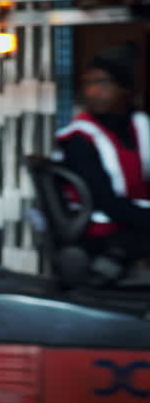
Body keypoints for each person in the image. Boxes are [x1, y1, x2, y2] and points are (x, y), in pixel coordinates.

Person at [54, 44, 150, 264]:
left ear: (124, 88)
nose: (91, 91)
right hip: (101, 233)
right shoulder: (78, 137)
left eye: (101, 83)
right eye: (87, 83)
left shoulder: (139, 125)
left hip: (131, 224)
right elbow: (105, 202)